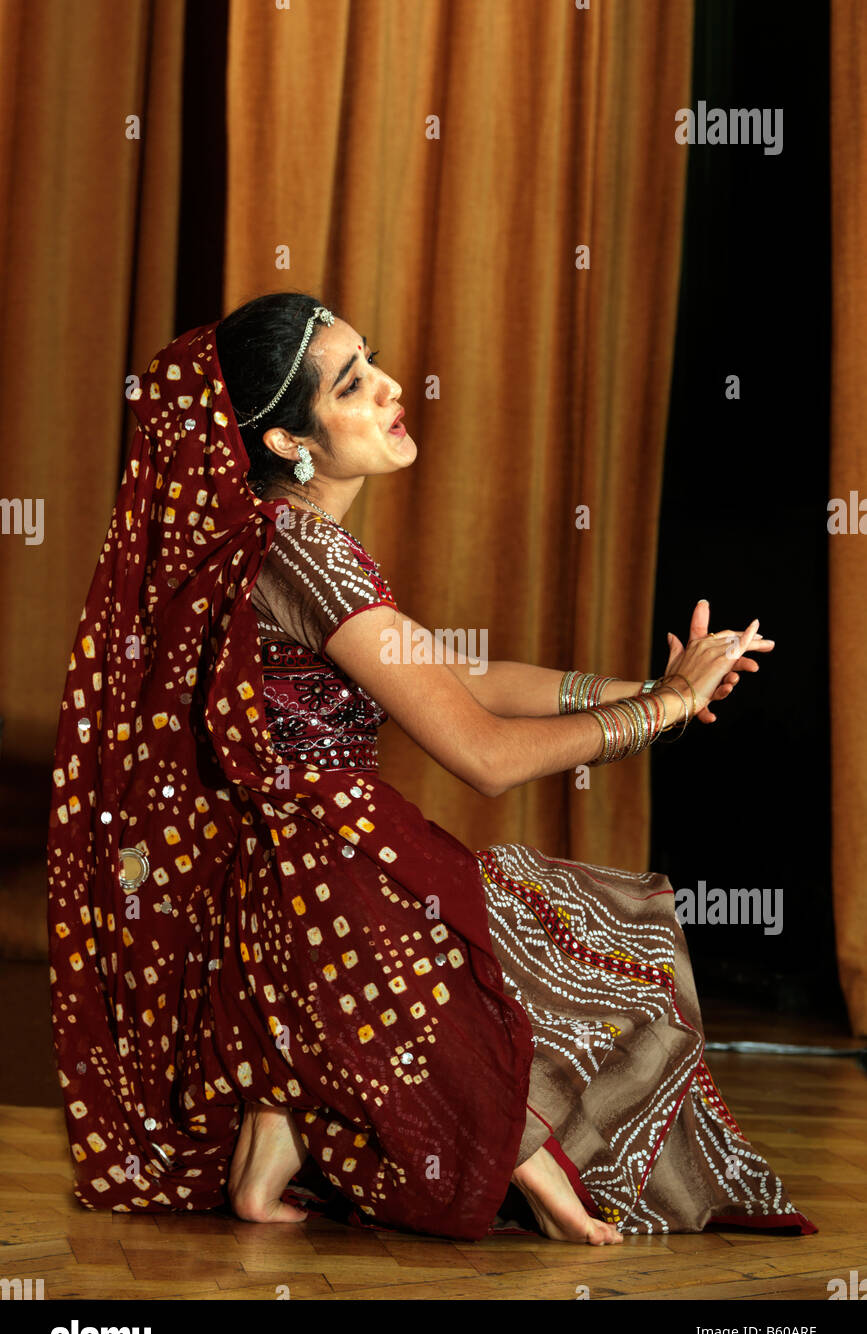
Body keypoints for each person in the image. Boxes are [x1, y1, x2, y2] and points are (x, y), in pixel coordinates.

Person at [47, 291, 816, 1246]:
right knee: (618, 956)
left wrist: (654, 688)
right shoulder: (304, 552)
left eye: (373, 362)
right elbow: (483, 755)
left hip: (303, 871)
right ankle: (521, 1157)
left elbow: (463, 677)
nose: (392, 389)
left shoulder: (286, 543)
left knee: (563, 945)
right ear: (292, 442)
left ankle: (286, 1140)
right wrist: (658, 714)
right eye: (353, 385)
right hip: (335, 867)